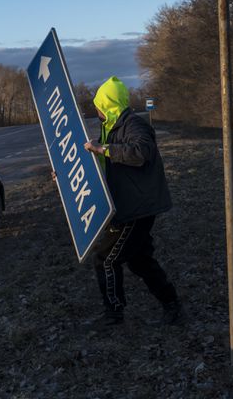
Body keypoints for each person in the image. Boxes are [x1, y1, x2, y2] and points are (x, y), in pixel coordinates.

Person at [81, 76, 181, 327]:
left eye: (99, 104)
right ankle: (172, 305)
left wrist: (103, 149)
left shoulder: (134, 125)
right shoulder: (113, 129)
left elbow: (139, 153)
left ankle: (114, 313)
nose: (97, 110)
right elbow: (106, 165)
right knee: (140, 260)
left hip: (138, 207)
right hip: (128, 205)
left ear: (108, 104)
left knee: (106, 258)